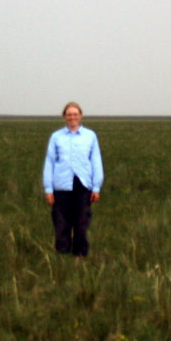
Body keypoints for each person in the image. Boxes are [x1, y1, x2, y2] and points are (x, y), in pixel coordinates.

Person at [42, 101, 103, 257]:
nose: (72, 117)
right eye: (69, 114)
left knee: (81, 222)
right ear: (64, 117)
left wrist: (96, 187)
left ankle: (80, 255)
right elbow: (50, 162)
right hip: (61, 185)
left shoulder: (90, 136)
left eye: (75, 114)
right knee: (61, 223)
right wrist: (49, 189)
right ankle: (62, 255)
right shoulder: (56, 137)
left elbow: (96, 161)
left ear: (80, 116)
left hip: (83, 185)